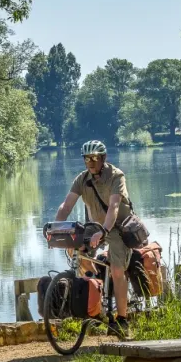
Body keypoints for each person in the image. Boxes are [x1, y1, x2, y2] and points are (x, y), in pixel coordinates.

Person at [54, 140, 133, 338]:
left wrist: (104, 231)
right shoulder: (82, 179)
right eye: (86, 158)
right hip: (94, 226)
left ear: (103, 158)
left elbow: (114, 207)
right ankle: (97, 284)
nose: (90, 162)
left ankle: (122, 320)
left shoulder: (116, 176)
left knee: (116, 270)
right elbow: (66, 205)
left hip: (117, 228)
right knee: (74, 249)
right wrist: (56, 228)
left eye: (94, 158)